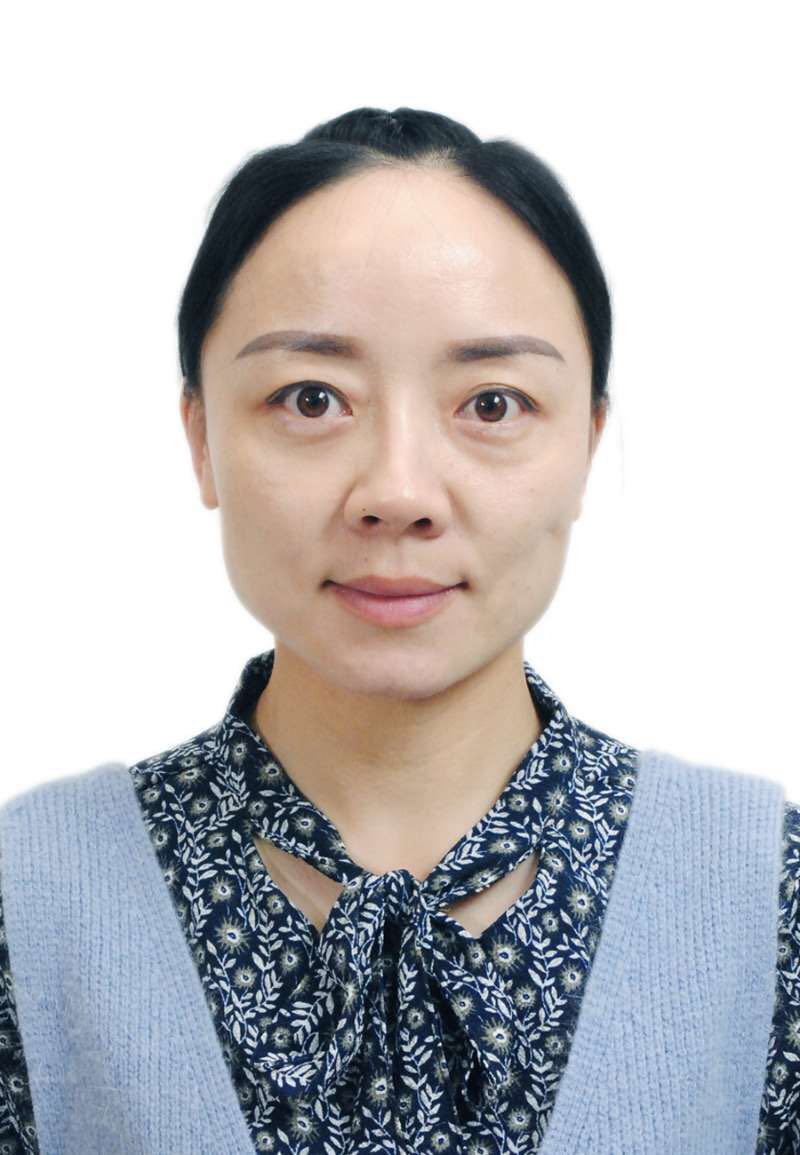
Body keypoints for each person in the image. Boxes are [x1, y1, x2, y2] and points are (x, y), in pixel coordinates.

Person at [0, 106, 796, 1155]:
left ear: (588, 445)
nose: (398, 492)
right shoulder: (28, 895)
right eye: (311, 398)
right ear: (201, 439)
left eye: (493, 404)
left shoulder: (761, 889)